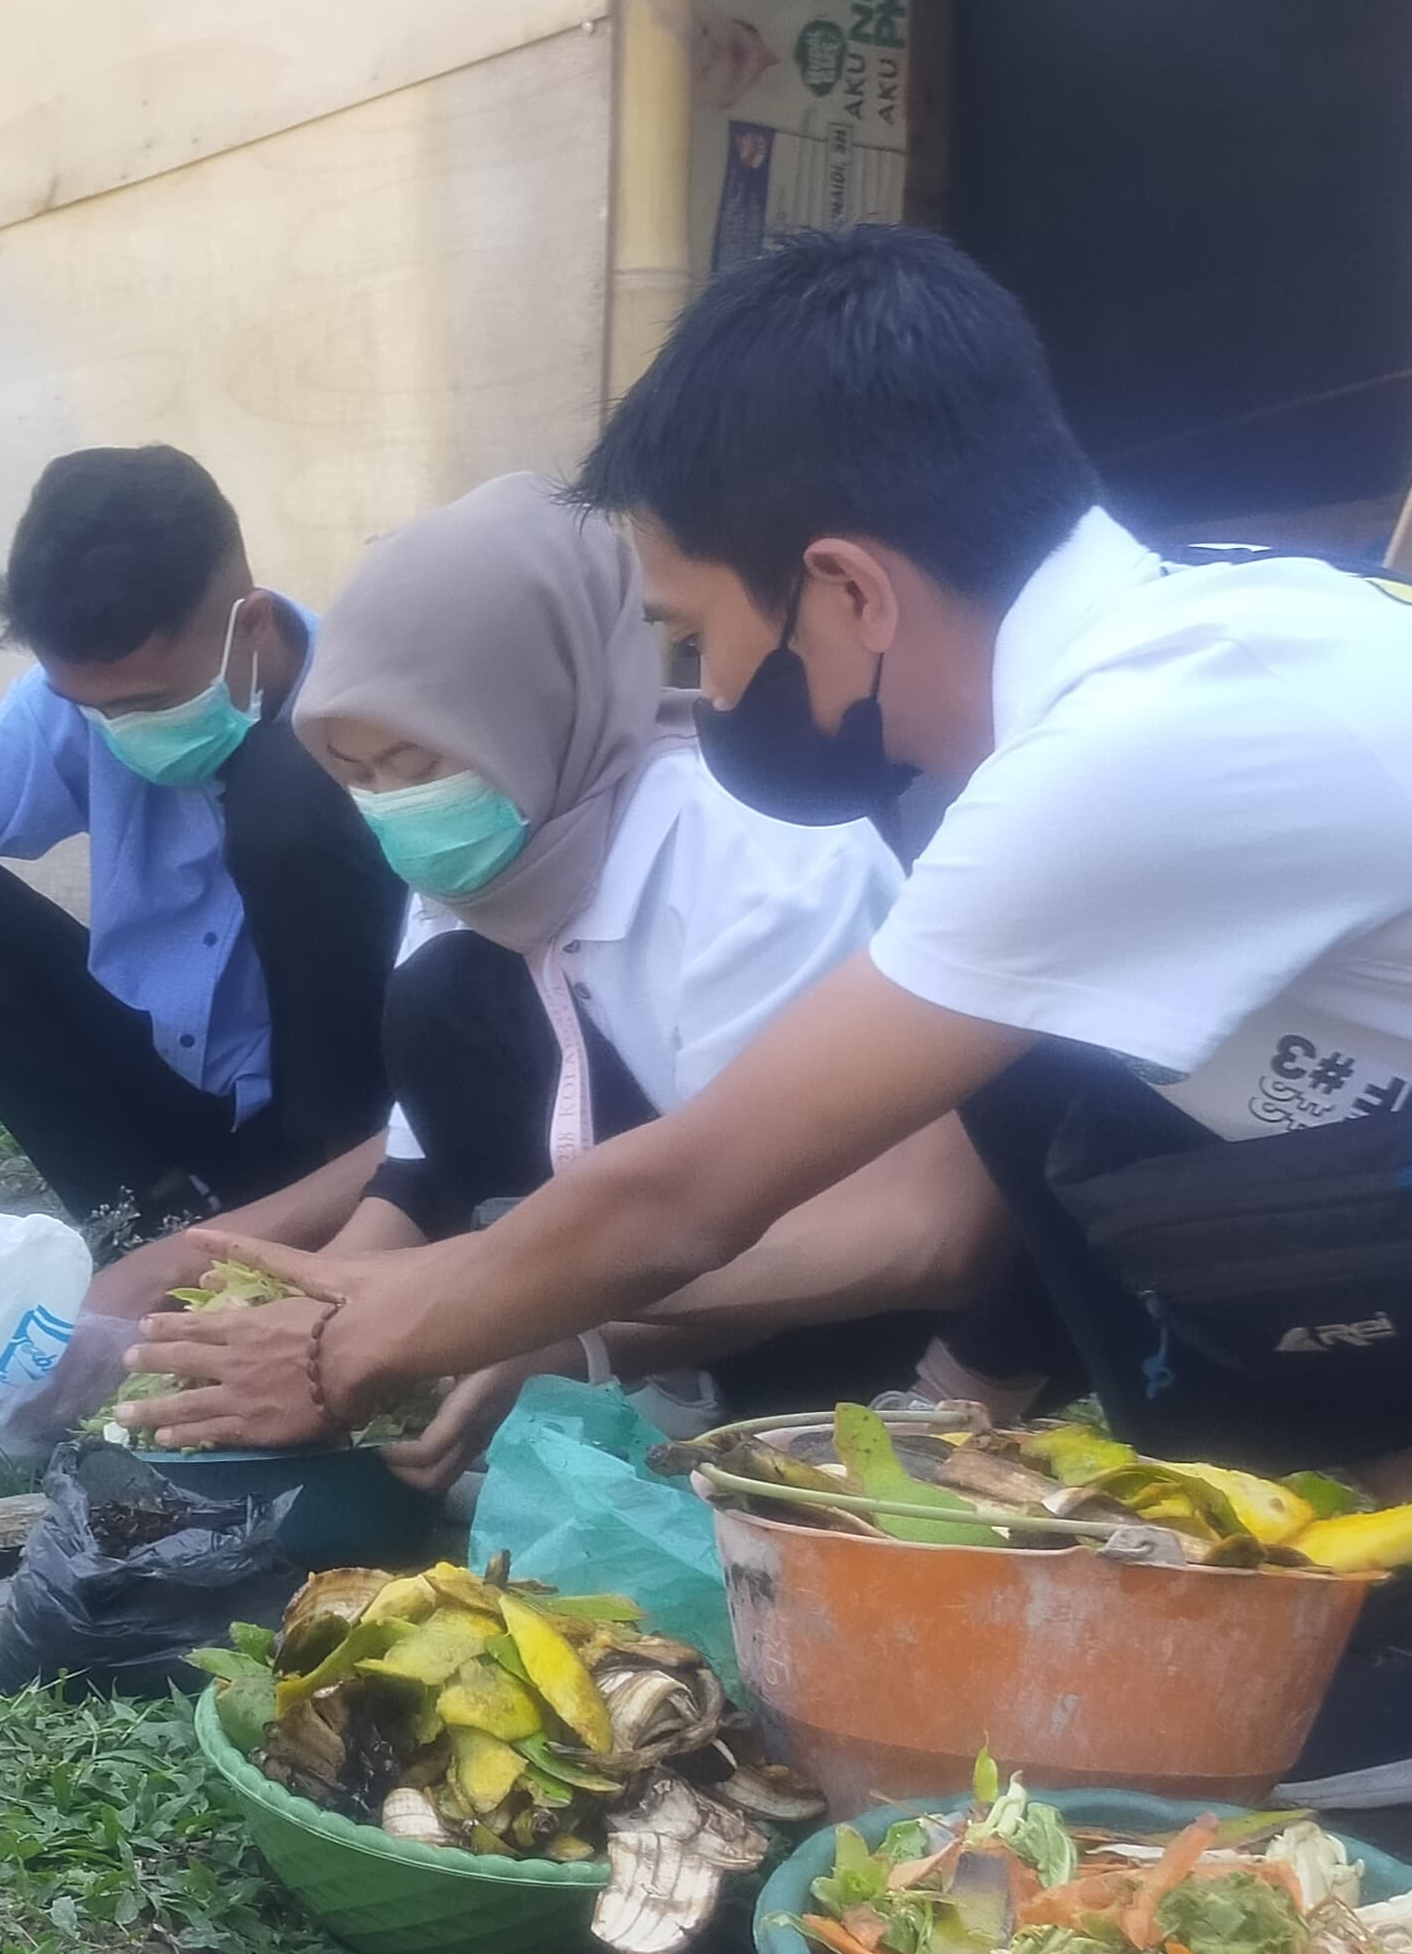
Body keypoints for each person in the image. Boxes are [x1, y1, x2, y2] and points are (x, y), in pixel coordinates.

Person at [131, 225, 1412, 1954]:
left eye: (703, 638)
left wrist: (372, 1333)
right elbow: (914, 1165)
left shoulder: (1186, 731)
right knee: (1045, 1076)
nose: (706, 699)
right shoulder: (1199, 657)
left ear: (849, 589)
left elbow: (692, 1183)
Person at [284, 473, 955, 1485]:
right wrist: (309, 1318)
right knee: (441, 999)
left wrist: (512, 1327)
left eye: (414, 759)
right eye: (357, 775)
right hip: (605, 1288)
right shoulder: (477, 855)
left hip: (809, 1321)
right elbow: (424, 1174)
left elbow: (780, 1210)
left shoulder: (767, 863)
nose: (392, 805)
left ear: (532, 701)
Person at [0, 445, 408, 1305]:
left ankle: (316, 1253)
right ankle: (140, 1215)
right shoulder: (71, 706)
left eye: (146, 705)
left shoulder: (389, 734)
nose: (117, 731)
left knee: (286, 802)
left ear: (251, 623)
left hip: (365, 1150)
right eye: (92, 708)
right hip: (178, 1094)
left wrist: (218, 1258)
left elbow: (450, 1105)